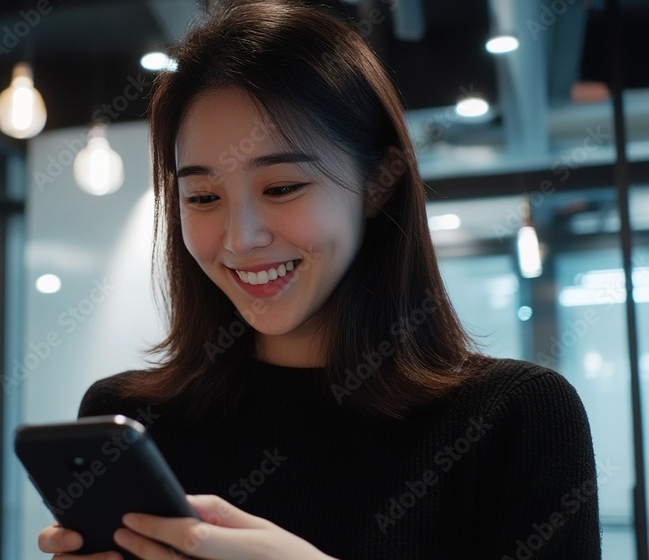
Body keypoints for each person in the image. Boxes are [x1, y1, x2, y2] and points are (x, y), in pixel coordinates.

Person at [38, 1, 601, 558]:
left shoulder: (516, 421)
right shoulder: (133, 419)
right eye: (203, 197)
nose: (239, 239)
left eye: (281, 188)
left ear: (379, 182)